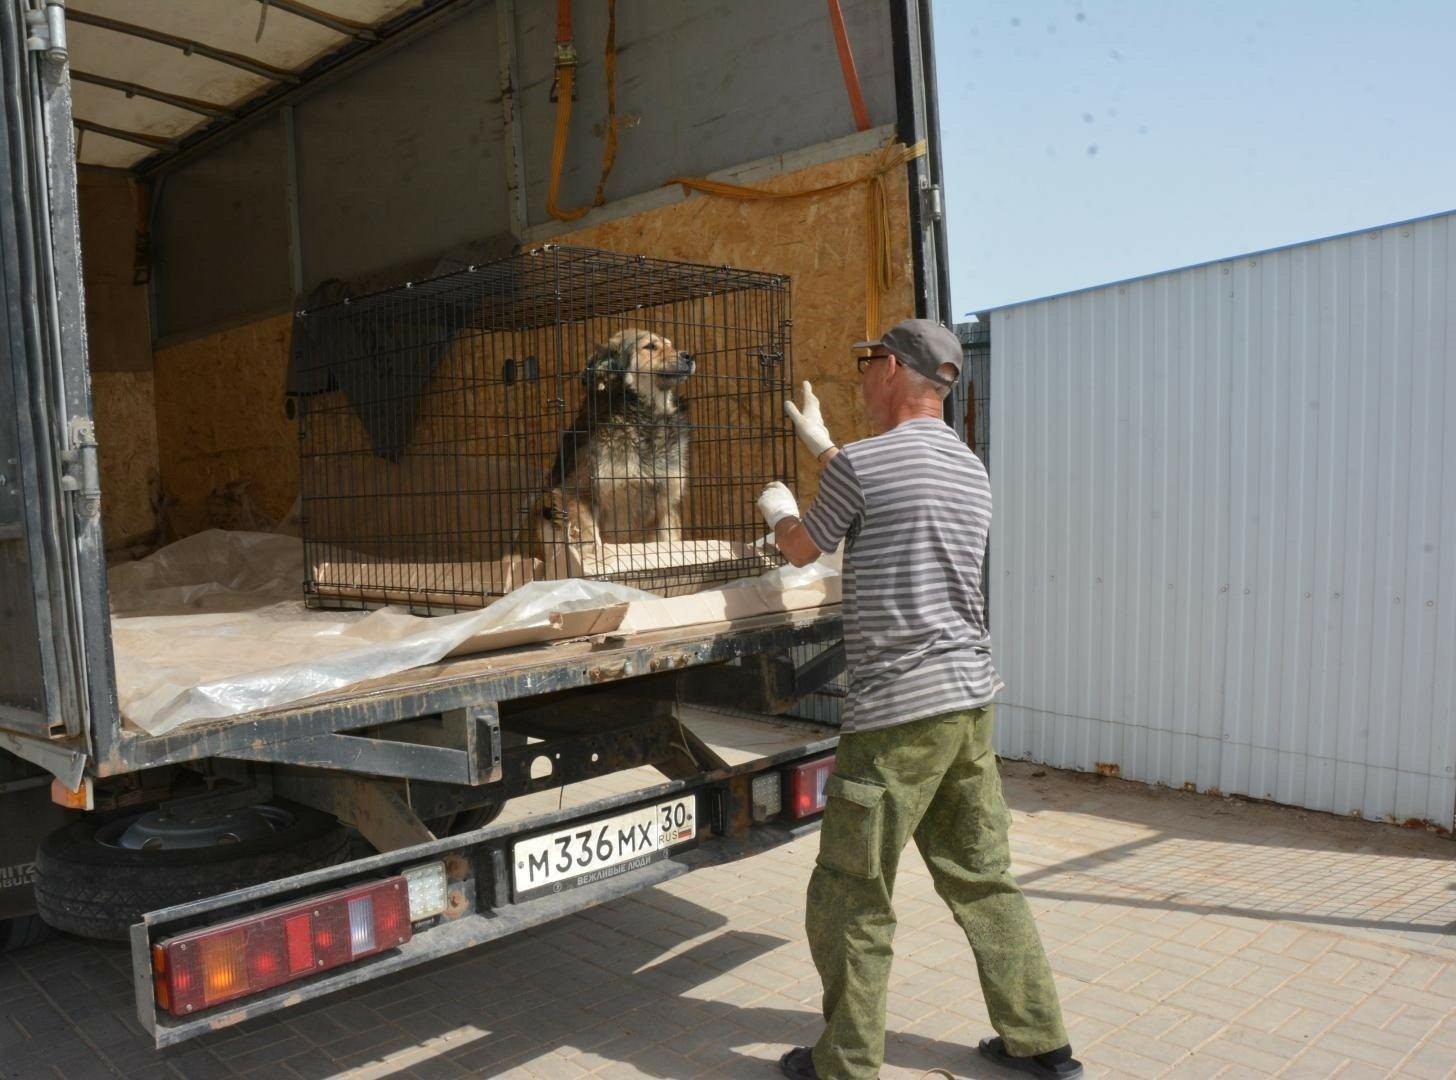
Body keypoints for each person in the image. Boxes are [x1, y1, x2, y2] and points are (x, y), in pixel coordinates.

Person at [756, 319, 1081, 1080]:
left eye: (868, 363)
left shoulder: (864, 466)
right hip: (968, 703)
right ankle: (1042, 1044)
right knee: (983, 878)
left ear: (898, 371)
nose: (862, 376)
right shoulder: (970, 467)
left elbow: (807, 547)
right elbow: (884, 490)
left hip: (896, 716)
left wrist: (777, 510)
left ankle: (845, 1064)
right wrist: (823, 448)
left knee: (851, 893)